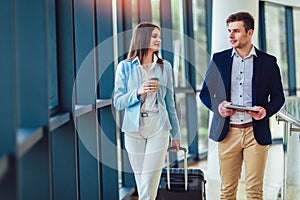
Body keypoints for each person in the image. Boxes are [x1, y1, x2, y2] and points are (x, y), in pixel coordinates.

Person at [200, 12, 285, 199]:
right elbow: (205, 93)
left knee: (254, 192)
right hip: (227, 132)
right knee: (227, 191)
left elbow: (279, 98)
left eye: (236, 31)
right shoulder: (219, 60)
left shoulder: (268, 62)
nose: (231, 35)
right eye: (229, 31)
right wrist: (218, 107)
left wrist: (266, 111)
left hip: (255, 134)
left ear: (250, 32)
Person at [113, 22, 181, 200]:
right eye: (154, 36)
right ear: (142, 38)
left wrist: (176, 135)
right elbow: (118, 101)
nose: (159, 40)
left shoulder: (164, 66)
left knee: (150, 178)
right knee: (142, 179)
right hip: (133, 129)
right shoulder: (125, 67)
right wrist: (138, 91)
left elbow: (170, 102)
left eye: (159, 36)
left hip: (158, 126)